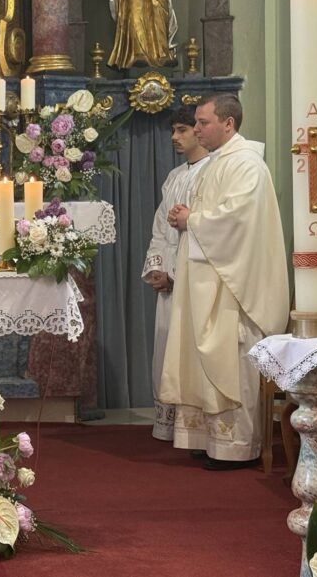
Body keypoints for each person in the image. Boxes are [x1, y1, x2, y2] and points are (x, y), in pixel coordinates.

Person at [159, 94, 289, 470]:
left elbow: (237, 219)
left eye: (203, 122)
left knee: (233, 361)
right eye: (196, 123)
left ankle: (238, 447)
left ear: (228, 124)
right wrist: (186, 216)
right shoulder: (217, 162)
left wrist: (192, 219)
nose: (197, 129)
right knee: (204, 360)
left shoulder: (247, 164)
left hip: (234, 287)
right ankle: (208, 439)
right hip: (208, 280)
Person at [142, 106, 210, 442]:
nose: (174, 137)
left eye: (181, 129)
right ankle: (172, 427)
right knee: (166, 349)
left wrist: (175, 275)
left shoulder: (212, 172)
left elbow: (205, 233)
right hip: (168, 278)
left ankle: (195, 429)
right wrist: (157, 268)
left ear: (198, 131)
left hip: (193, 278)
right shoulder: (174, 176)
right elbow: (160, 227)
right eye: (173, 130)